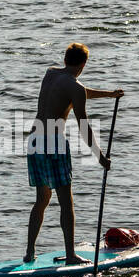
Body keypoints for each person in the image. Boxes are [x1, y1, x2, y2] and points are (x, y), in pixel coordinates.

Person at [24, 43, 123, 265]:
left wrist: (110, 95)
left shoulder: (51, 73)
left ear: (65, 59)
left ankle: (29, 251)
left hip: (34, 139)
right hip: (53, 143)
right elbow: (84, 126)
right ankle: (70, 255)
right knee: (66, 202)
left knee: (42, 200)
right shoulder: (75, 87)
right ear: (83, 64)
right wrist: (100, 157)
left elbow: (79, 91)